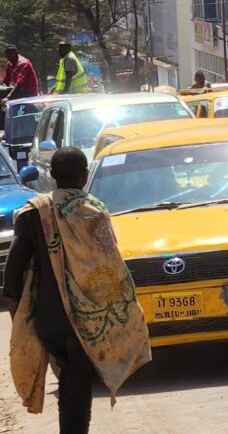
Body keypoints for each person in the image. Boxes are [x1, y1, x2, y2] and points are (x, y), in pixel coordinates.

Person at [4, 147, 151, 433]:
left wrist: (19, 313)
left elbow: (12, 273)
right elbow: (112, 266)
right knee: (77, 382)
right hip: (91, 319)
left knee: (70, 378)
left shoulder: (35, 214)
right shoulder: (95, 211)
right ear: (84, 177)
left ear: (52, 176)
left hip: (50, 319)